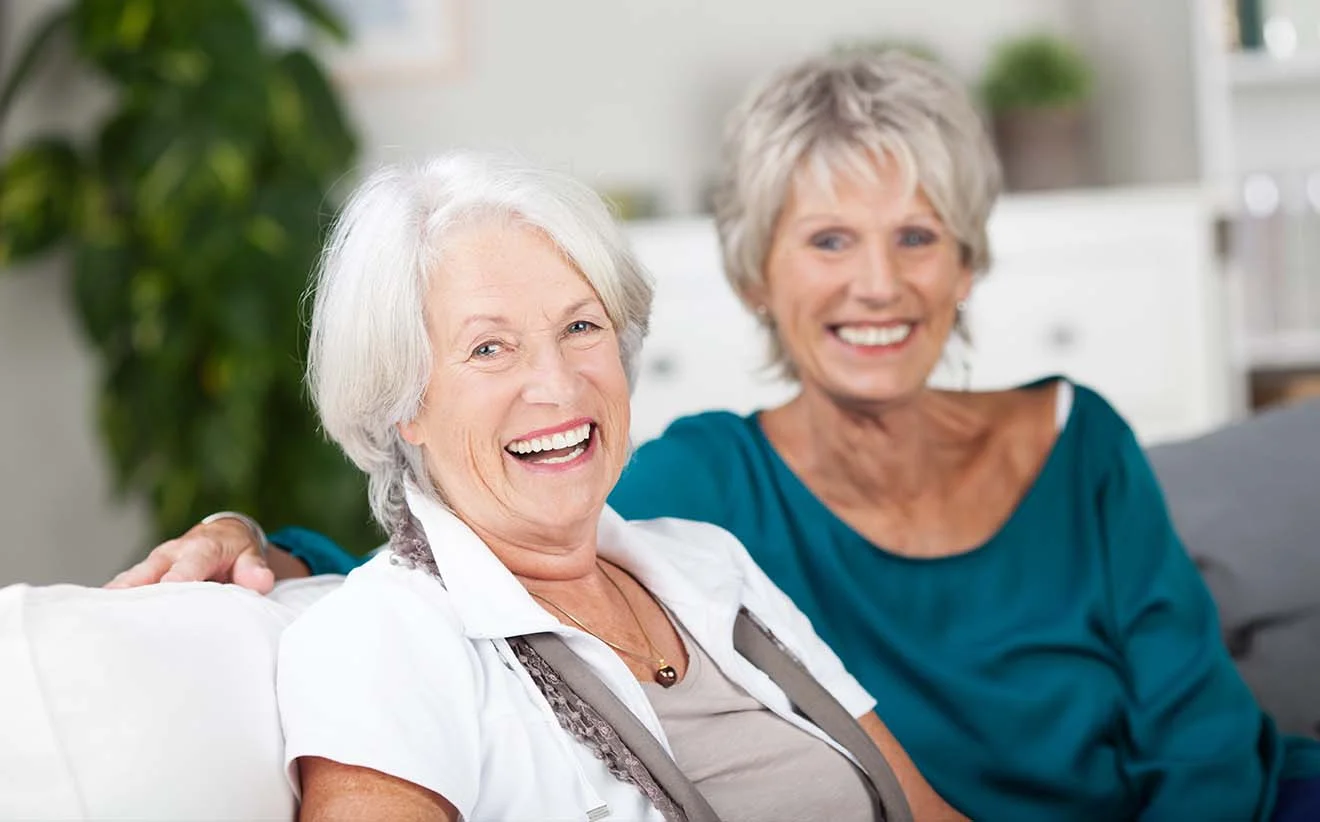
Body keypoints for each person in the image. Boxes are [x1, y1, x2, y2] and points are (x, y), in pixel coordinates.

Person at [112, 53, 1320, 820]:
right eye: (829, 241)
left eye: (916, 235)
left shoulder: (1068, 445)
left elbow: (1203, 746)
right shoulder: (707, 484)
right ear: (755, 277)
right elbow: (470, 542)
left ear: (967, 261)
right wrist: (252, 543)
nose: (877, 284)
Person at [272, 151, 957, 821]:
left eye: (581, 327)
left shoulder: (709, 563)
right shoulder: (384, 639)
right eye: (489, 348)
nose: (560, 385)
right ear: (405, 405)